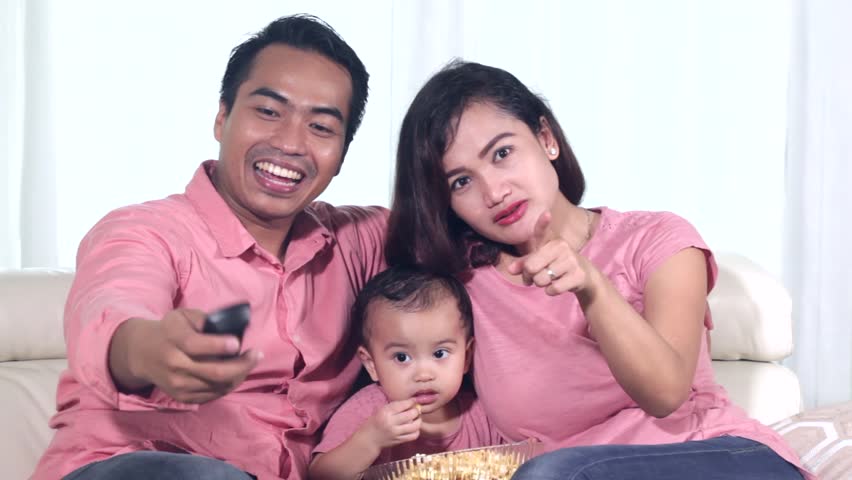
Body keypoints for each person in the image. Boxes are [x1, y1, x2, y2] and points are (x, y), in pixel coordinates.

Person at [385, 60, 813, 479]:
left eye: (502, 153)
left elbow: (665, 394)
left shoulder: (657, 239)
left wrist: (593, 287)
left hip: (720, 458)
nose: (494, 191)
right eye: (461, 182)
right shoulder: (462, 286)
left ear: (546, 139)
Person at [32, 14, 387, 480]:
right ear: (222, 118)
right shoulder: (145, 232)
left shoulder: (355, 244)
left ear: (341, 156)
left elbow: (455, 223)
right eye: (268, 111)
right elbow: (114, 308)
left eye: (321, 127)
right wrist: (152, 350)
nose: (290, 143)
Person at [308, 265, 502, 480]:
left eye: (440, 353)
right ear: (371, 364)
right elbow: (320, 476)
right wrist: (371, 439)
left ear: (467, 356)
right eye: (402, 357)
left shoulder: (481, 414)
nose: (423, 375)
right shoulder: (366, 412)